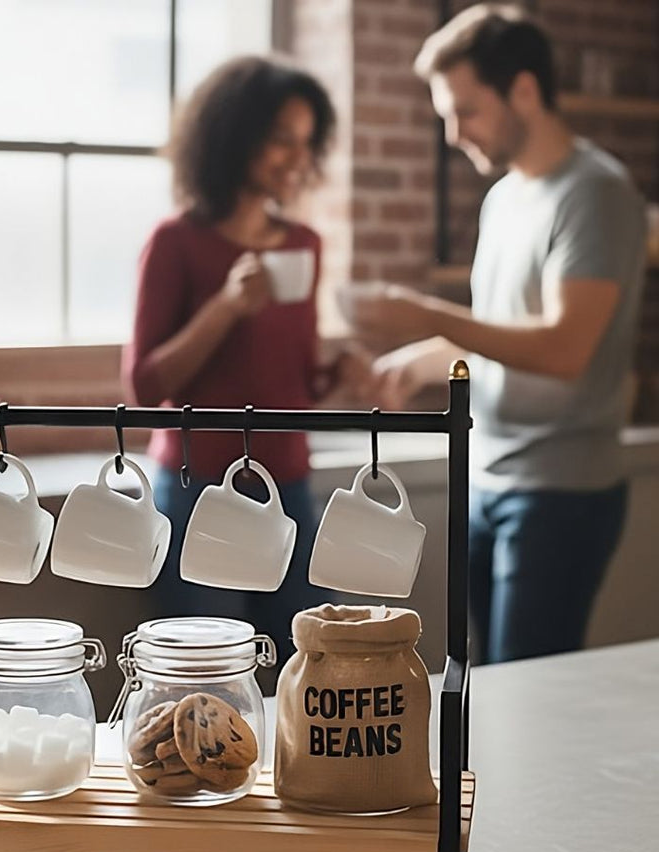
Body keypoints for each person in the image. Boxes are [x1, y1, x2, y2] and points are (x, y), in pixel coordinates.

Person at [347, 4, 647, 664]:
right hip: (487, 477)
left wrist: (426, 312)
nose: (454, 134)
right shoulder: (503, 197)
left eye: (465, 110)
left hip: (560, 492)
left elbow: (564, 350)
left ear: (525, 91)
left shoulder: (596, 194)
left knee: (527, 693)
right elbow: (499, 337)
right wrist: (416, 363)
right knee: (486, 684)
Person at [121, 55, 369, 668]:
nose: (295, 157)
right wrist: (226, 306)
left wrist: (338, 375)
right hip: (196, 489)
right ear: (235, 136)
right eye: (281, 138)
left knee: (308, 670)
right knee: (202, 673)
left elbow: (291, 385)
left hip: (290, 487)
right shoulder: (175, 244)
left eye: (305, 142)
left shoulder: (304, 245)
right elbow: (144, 385)